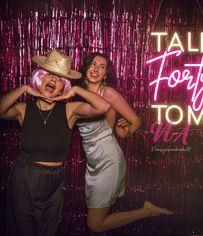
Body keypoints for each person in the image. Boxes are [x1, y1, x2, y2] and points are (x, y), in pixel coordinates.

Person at [0, 49, 111, 236]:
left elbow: (104, 106)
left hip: (54, 181)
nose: (53, 80)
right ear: (39, 78)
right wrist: (23, 89)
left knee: (47, 231)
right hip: (24, 178)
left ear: (63, 87)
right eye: (49, 75)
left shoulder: (69, 110)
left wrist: (76, 90)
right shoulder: (23, 109)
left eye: (60, 79)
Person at [77, 52, 173, 235]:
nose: (96, 69)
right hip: (93, 163)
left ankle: (146, 211)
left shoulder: (108, 92)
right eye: (93, 64)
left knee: (94, 224)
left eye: (102, 66)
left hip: (108, 161)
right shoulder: (79, 94)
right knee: (100, 220)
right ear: (86, 67)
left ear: (106, 74)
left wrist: (125, 131)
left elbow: (136, 121)